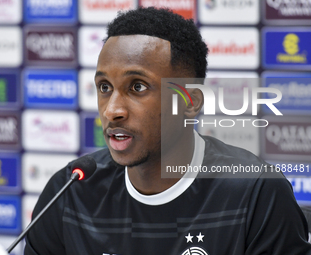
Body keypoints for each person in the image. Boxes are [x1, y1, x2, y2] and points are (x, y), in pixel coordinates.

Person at [24, 7, 311, 255]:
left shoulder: (256, 191)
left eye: (137, 87)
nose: (112, 110)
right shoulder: (69, 190)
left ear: (191, 102)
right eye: (104, 87)